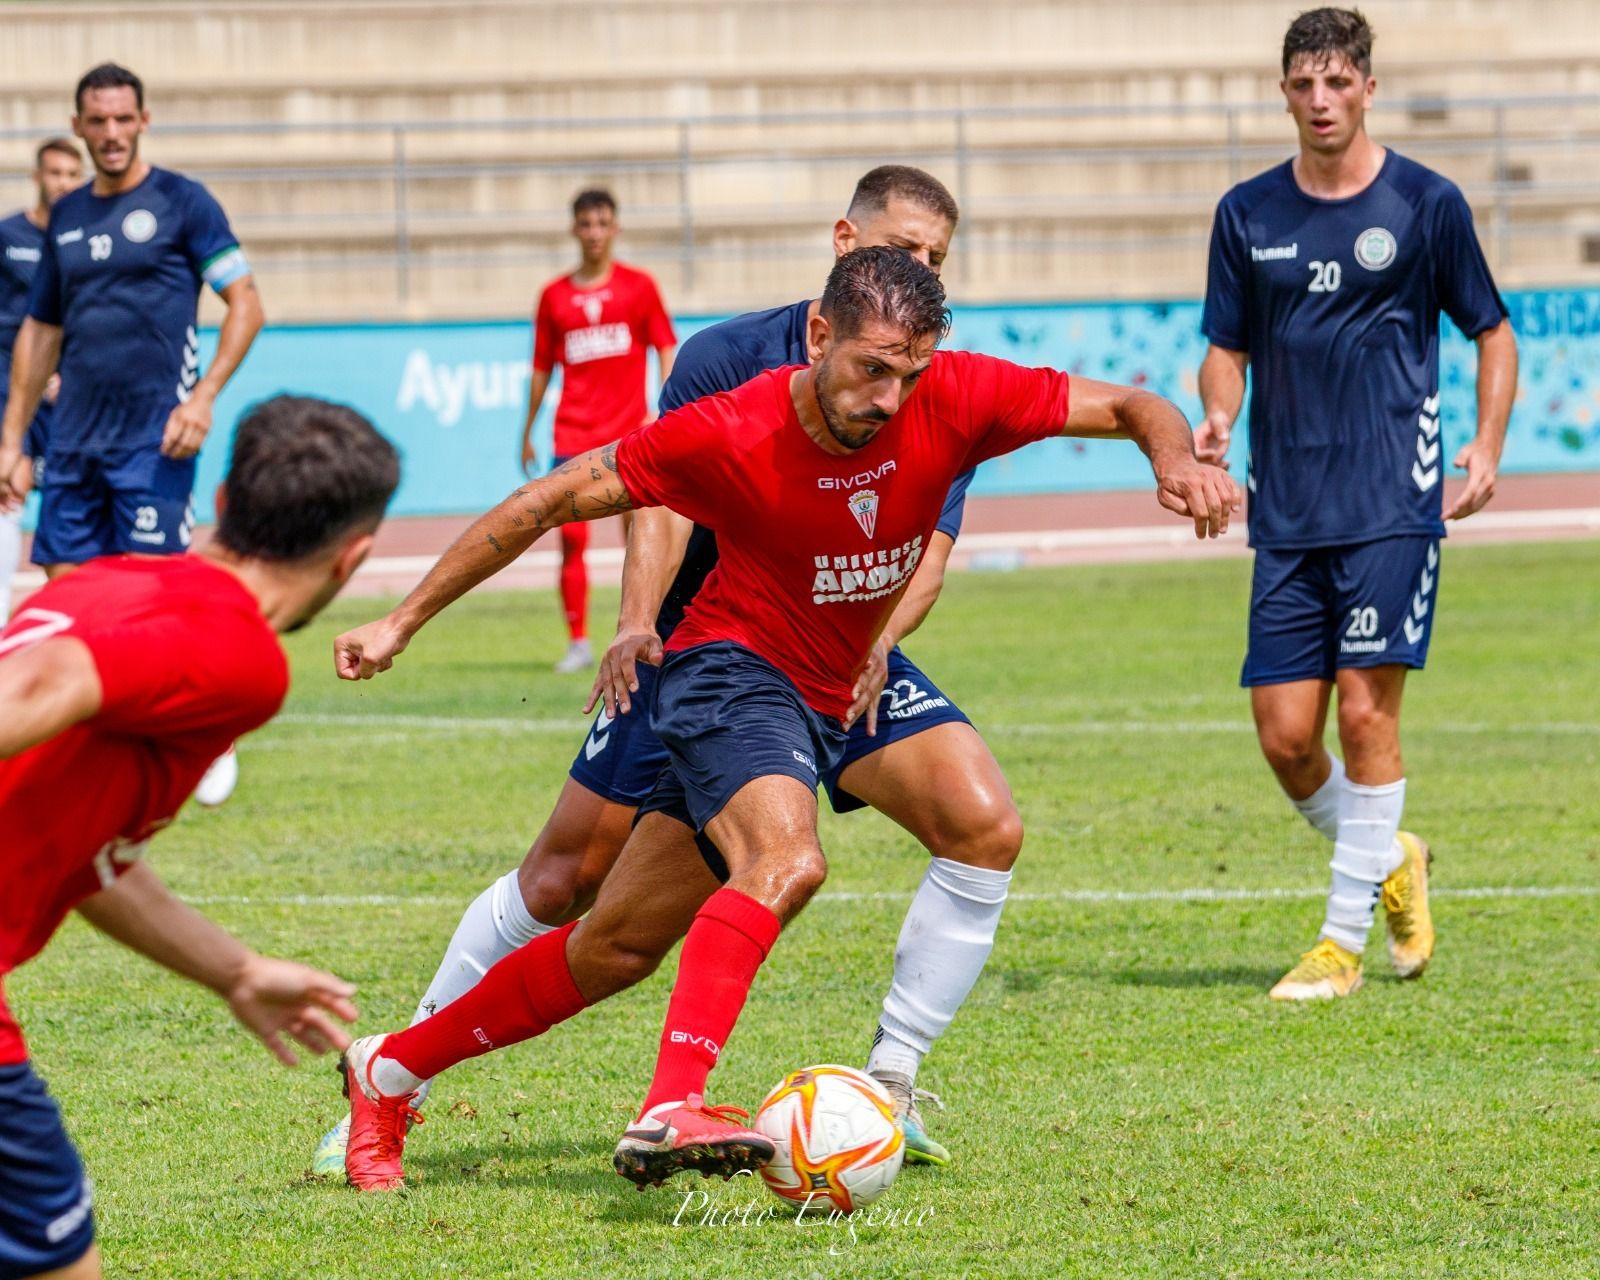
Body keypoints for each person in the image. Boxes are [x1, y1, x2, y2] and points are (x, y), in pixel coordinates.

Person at [328, 246, 1240, 1191]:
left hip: (832, 691)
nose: (890, 398)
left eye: (910, 373)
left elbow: (1133, 406)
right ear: (818, 335)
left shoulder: (958, 395)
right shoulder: (730, 429)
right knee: (786, 860)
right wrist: (402, 618)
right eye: (871, 368)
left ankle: (387, 1071)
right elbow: (548, 501)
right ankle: (669, 1106)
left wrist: (1175, 460)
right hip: (728, 674)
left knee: (618, 947)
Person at [310, 166, 1005, 1178]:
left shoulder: (926, 378)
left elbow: (930, 551)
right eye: (901, 247)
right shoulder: (727, 358)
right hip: (708, 654)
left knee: (981, 823)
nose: (918, 270)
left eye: (937, 261)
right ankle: (397, 1075)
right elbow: (654, 494)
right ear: (845, 239)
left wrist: (877, 639)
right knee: (575, 893)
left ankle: (886, 1089)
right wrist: (634, 620)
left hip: (842, 656)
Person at [0, 394, 400, 1280]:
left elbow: (92, 857)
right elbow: (38, 687)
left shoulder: (100, 583)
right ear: (354, 556)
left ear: (223, 499)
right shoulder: (239, 658)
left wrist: (237, 971)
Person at [1195, 7, 1517, 1001]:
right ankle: (1390, 853)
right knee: (1285, 735)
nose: (1321, 101)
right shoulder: (1245, 214)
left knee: (1368, 715)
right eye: (1303, 85)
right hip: (1285, 507)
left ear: (1367, 88)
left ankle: (1338, 946)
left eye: (1338, 83)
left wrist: (1486, 441)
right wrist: (1214, 417)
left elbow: (1492, 331)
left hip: (1391, 500)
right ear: (1284, 91)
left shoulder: (1426, 204)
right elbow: (1226, 348)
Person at [0, 62, 266, 808]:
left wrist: (204, 396)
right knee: (68, 600)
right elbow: (39, 331)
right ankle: (105, 748)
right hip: (74, 445)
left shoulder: (183, 203)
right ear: (80, 126)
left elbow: (245, 303)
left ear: (143, 121)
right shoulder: (70, 217)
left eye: (124, 120)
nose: (111, 134)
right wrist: (12, 440)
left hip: (155, 443)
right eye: (98, 121)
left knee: (155, 599)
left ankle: (207, 734)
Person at [518, 188, 677, 672]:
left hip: (629, 431)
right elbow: (542, 368)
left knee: (642, 533)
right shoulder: (554, 296)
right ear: (574, 229)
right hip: (572, 433)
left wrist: (662, 407)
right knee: (570, 539)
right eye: (585, 224)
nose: (593, 233)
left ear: (615, 228)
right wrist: (526, 429)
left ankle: (639, 629)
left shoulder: (640, 287)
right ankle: (579, 641)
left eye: (602, 223)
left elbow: (666, 348)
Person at [0, 139, 83, 620]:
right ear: (38, 177)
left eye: (73, 174)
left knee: (66, 515)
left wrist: (68, 373)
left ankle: (75, 626)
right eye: (54, 173)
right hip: (9, 397)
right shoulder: (7, 235)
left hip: (67, 406)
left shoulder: (89, 239)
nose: (63, 183)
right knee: (7, 499)